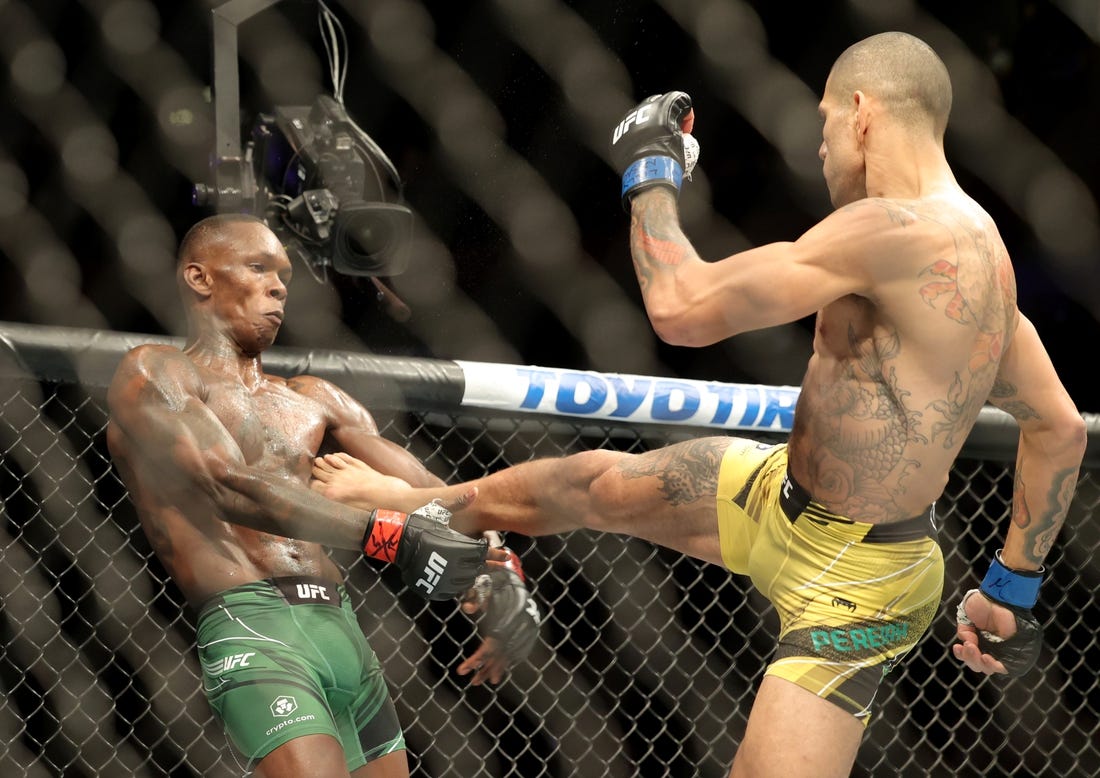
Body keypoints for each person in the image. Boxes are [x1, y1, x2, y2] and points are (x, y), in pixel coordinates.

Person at [307, 31, 1087, 778]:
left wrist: (651, 172)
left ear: (862, 111)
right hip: (783, 498)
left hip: (859, 579)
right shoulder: (985, 256)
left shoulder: (896, 229)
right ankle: (415, 504)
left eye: (823, 125)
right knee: (595, 483)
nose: (818, 149)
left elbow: (682, 307)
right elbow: (1056, 427)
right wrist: (1009, 588)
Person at [105, 213, 540, 778]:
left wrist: (501, 569)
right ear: (200, 278)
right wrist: (390, 536)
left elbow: (440, 495)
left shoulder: (315, 399)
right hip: (255, 626)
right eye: (258, 267)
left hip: (343, 628)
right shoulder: (155, 371)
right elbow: (226, 483)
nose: (280, 285)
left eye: (284, 273)